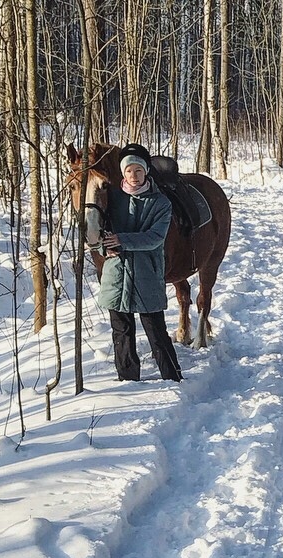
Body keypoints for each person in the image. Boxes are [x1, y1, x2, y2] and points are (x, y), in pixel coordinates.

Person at [97, 143, 183, 382]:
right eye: (128, 171)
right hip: (116, 277)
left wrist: (121, 240)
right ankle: (127, 380)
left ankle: (172, 377)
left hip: (147, 275)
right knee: (121, 333)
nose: (133, 176)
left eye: (138, 171)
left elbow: (155, 238)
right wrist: (101, 246)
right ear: (122, 174)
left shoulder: (161, 203)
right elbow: (95, 232)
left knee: (156, 332)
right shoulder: (112, 199)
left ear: (146, 171)